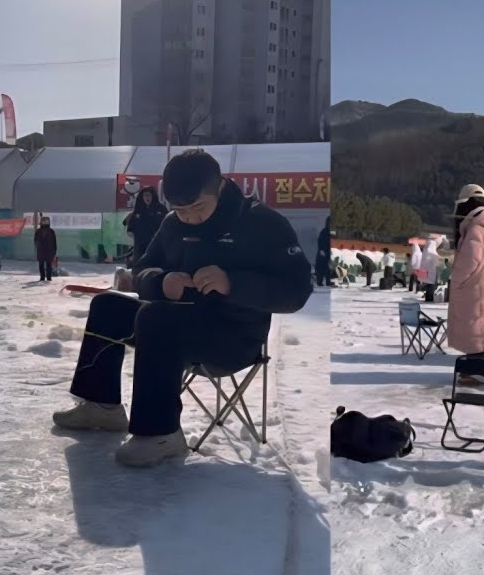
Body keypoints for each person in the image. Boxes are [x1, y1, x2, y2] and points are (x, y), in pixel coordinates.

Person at [52, 149, 313, 467]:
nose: (190, 217)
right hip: (173, 322)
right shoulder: (173, 224)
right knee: (107, 306)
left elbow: (297, 291)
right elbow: (142, 270)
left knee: (156, 318)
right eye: (181, 210)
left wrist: (232, 283)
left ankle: (161, 433)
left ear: (219, 187)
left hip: (233, 335)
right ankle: (101, 406)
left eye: (198, 207)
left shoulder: (261, 223)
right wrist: (160, 282)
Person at [447, 184, 484, 383]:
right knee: (482, 331)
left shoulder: (476, 229)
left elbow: (468, 263)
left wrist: (454, 277)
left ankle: (478, 374)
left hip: (476, 291)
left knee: (476, 331)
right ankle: (479, 371)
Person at [123, 187, 168, 267]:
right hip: (140, 247)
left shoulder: (161, 209)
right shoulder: (138, 211)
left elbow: (168, 226)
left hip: (157, 245)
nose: (147, 198)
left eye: (149, 195)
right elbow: (130, 231)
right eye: (145, 195)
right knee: (139, 268)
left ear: (153, 196)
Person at [34, 216, 58, 282]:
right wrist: (38, 246)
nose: (45, 223)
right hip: (41, 251)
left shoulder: (51, 231)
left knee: (49, 265)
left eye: (46, 221)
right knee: (41, 264)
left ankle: (49, 277)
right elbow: (35, 240)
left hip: (49, 251)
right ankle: (42, 277)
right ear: (41, 222)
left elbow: (54, 241)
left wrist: (55, 250)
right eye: (43, 221)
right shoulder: (38, 231)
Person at [315, 216, 332, 287]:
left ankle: (328, 281)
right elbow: (320, 241)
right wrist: (321, 250)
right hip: (323, 252)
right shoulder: (324, 231)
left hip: (328, 252)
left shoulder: (332, 231)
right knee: (321, 267)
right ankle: (319, 282)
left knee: (328, 268)